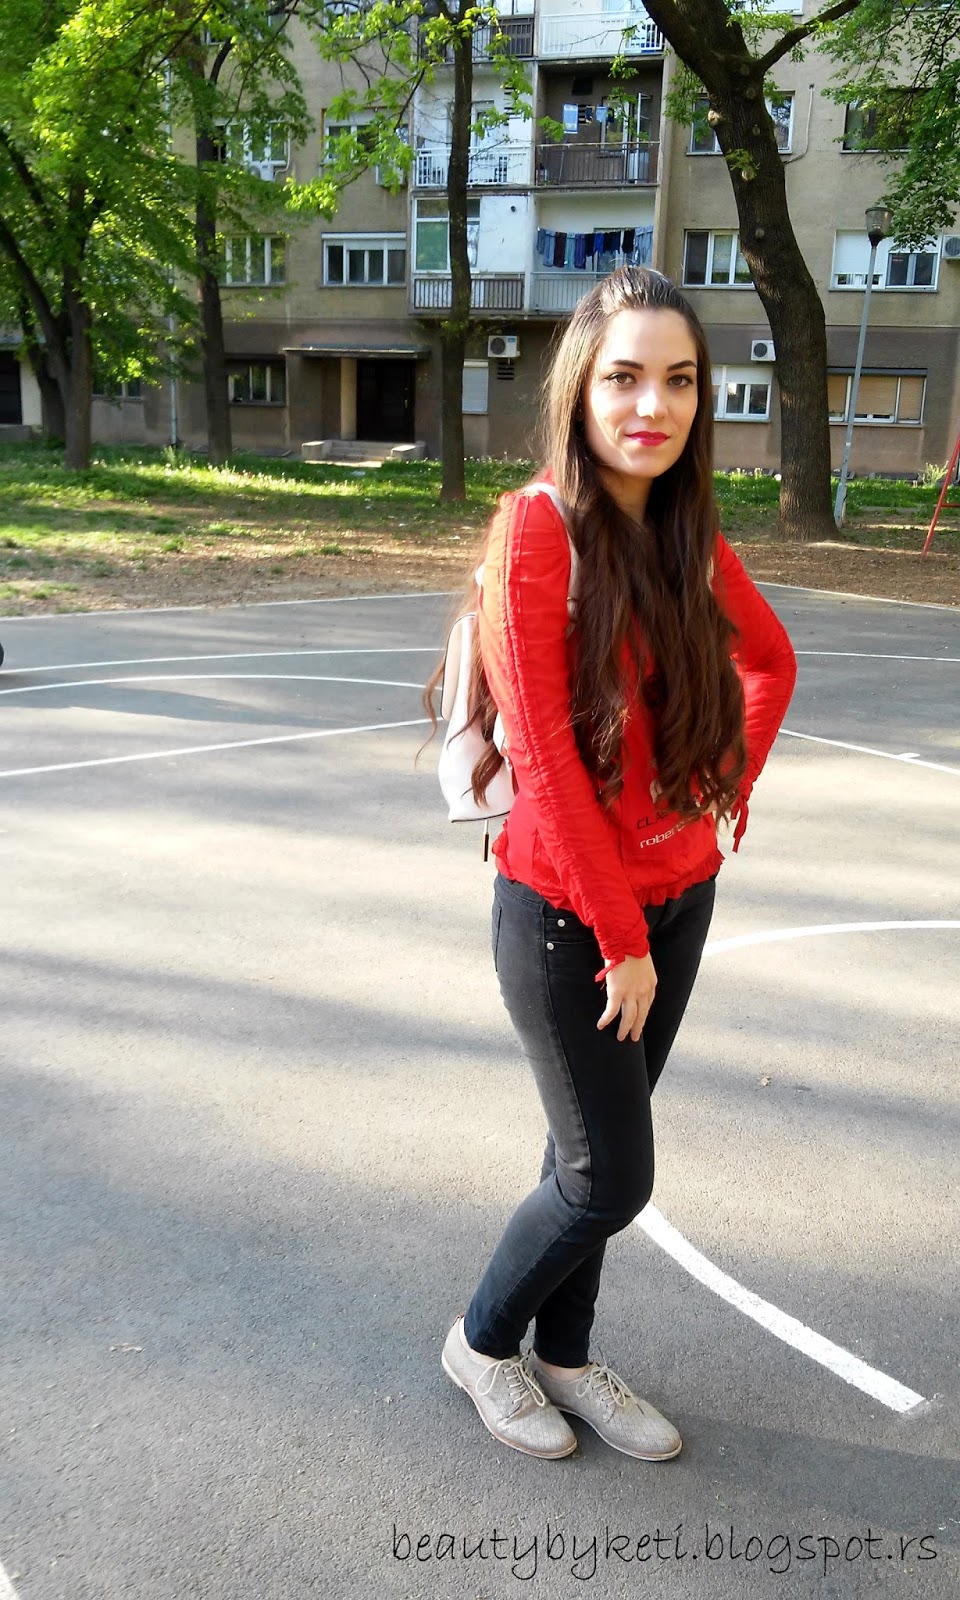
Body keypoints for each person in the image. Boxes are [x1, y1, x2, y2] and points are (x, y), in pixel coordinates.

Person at [425, 266, 797, 1462]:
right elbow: (541, 753)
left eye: (679, 380)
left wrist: (719, 790)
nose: (655, 405)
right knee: (608, 1179)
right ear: (580, 391)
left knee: (580, 1153)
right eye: (626, 377)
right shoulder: (539, 529)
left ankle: (569, 1357)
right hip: (567, 913)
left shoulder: (685, 533)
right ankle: (482, 1343)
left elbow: (772, 664)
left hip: (682, 896)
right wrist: (622, 939)